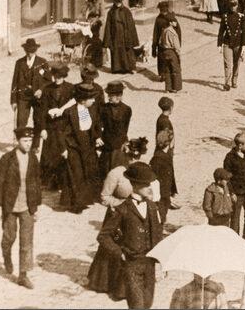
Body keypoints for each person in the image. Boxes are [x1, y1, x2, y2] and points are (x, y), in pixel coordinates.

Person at [96, 162, 164, 309]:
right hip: (132, 265)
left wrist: (161, 262)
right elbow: (103, 236)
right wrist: (119, 252)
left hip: (149, 265)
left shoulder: (152, 207)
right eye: (146, 184)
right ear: (135, 185)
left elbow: (157, 234)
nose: (150, 187)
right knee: (137, 305)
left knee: (147, 304)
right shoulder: (122, 209)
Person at [0, 127, 41, 289]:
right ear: (17, 141)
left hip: (28, 205)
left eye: (30, 141)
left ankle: (23, 275)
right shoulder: (6, 159)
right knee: (9, 237)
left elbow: (37, 183)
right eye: (25, 141)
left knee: (26, 241)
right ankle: (6, 255)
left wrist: (37, 207)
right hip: (10, 205)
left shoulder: (33, 158)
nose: (28, 144)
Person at [61, 84, 102, 213]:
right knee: (76, 175)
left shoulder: (92, 110)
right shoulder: (70, 112)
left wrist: (97, 137)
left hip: (88, 146)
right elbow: (62, 132)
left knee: (88, 172)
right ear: (83, 100)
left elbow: (95, 127)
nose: (94, 101)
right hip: (74, 146)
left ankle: (86, 200)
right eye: (91, 98)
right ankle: (76, 204)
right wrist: (64, 149)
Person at [11, 38, 48, 133]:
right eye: (28, 51)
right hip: (23, 97)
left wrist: (41, 90)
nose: (30, 54)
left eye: (32, 51)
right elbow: (15, 82)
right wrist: (13, 100)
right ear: (25, 50)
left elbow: (48, 81)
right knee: (21, 122)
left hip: (37, 98)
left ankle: (35, 142)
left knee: (38, 122)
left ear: (35, 50)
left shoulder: (42, 62)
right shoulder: (19, 63)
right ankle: (21, 140)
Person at [224, 133, 245, 241]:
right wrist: (231, 193)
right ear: (240, 145)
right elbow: (227, 178)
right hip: (237, 194)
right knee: (235, 218)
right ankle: (235, 240)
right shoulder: (229, 157)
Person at [103, 0, 140, 74]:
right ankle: (117, 69)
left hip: (125, 34)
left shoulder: (126, 11)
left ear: (121, 1)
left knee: (128, 51)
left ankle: (130, 68)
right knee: (116, 51)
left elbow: (131, 26)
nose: (117, 3)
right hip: (115, 35)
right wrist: (107, 40)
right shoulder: (111, 12)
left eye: (119, 2)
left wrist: (132, 38)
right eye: (116, 2)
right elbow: (108, 26)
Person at [218, 0, 245, 91]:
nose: (233, 8)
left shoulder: (241, 17)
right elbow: (221, 31)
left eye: (234, 5)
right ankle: (227, 83)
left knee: (237, 63)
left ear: (237, 5)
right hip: (227, 43)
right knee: (227, 64)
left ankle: (234, 80)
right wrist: (219, 44)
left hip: (238, 44)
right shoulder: (225, 17)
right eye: (231, 6)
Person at [152, 1, 183, 93]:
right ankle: (173, 84)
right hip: (169, 47)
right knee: (171, 66)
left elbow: (178, 33)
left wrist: (154, 47)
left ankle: (167, 83)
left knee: (167, 65)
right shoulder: (162, 19)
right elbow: (156, 34)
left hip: (165, 46)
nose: (162, 12)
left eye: (163, 11)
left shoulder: (170, 19)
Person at [149, 130, 176, 221]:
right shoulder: (159, 159)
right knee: (160, 218)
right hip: (161, 195)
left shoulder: (164, 156)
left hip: (165, 193)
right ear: (169, 143)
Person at [84, 0, 106, 67]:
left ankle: (98, 62)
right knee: (88, 40)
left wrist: (96, 21)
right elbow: (83, 10)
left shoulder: (101, 2)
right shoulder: (89, 1)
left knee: (97, 42)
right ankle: (88, 58)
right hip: (89, 22)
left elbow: (102, 16)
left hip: (98, 24)